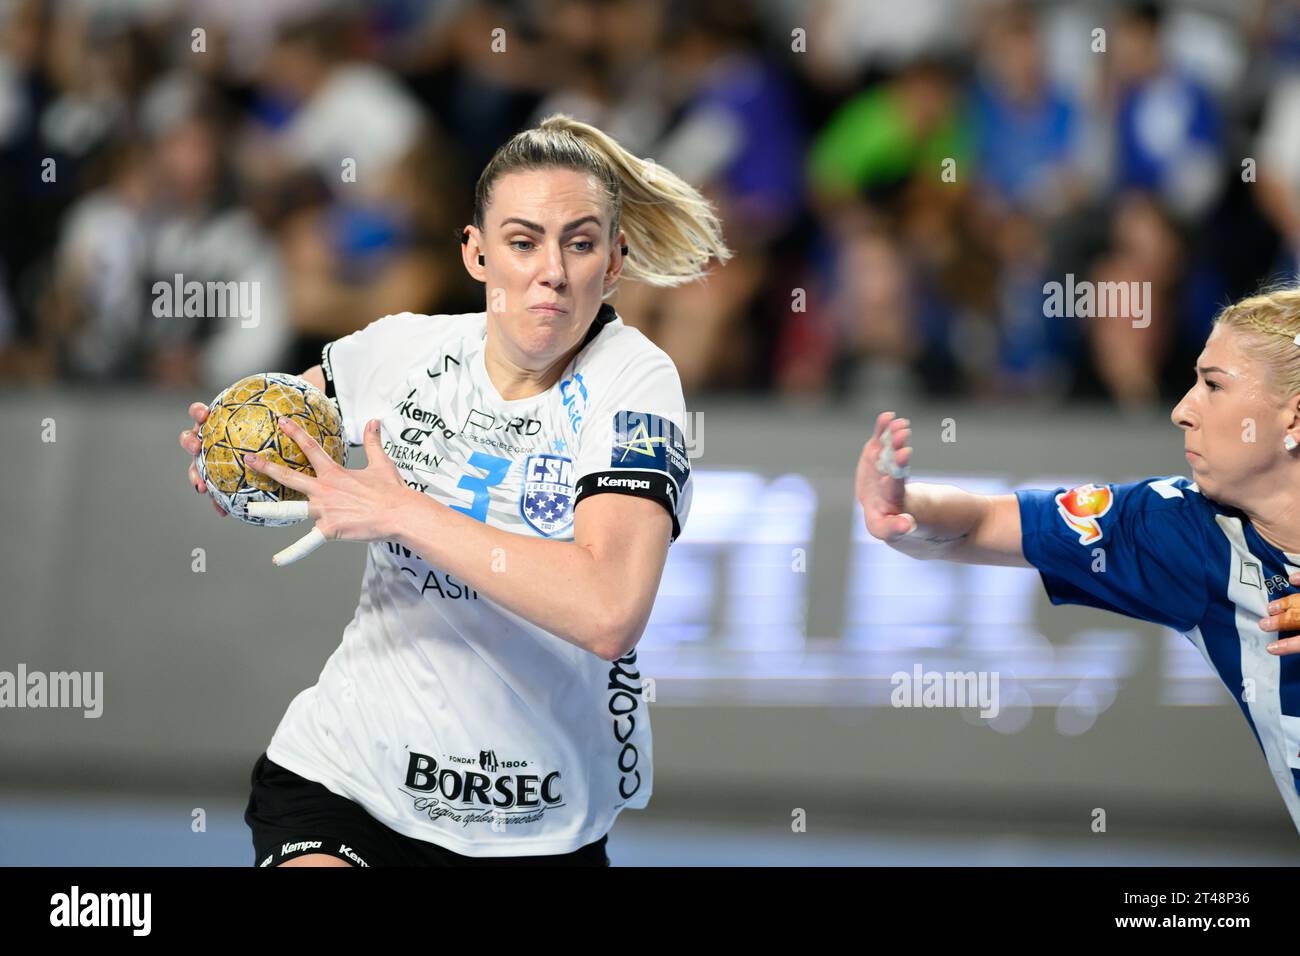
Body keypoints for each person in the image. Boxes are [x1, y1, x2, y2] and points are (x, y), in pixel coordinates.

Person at [178, 114, 730, 865]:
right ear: (476, 253)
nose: (552, 271)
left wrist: (400, 511)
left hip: (537, 819)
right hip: (350, 775)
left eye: (579, 243)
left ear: (613, 262)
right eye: (523, 241)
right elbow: (281, 428)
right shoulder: (400, 351)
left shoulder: (634, 385)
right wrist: (233, 460)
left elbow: (608, 611)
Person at [856, 287, 1300, 833]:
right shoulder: (1184, 535)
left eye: (1213, 385)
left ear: (1294, 419)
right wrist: (905, 505)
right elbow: (983, 522)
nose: (1182, 411)